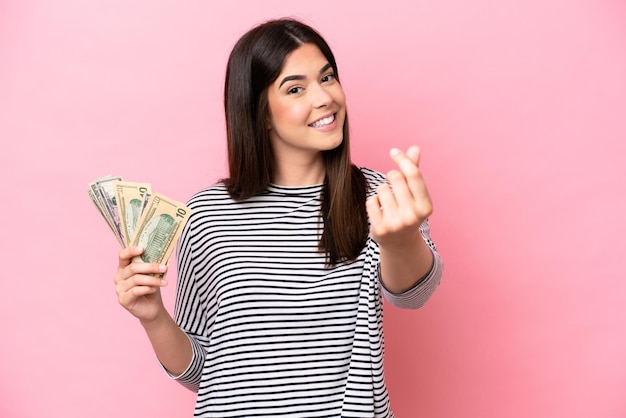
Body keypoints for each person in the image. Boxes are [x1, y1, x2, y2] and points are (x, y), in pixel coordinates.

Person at [114, 17, 443, 418]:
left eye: (328, 78)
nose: (324, 98)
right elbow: (201, 371)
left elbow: (414, 295)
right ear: (262, 113)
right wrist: (154, 317)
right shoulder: (208, 214)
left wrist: (401, 240)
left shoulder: (379, 197)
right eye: (296, 88)